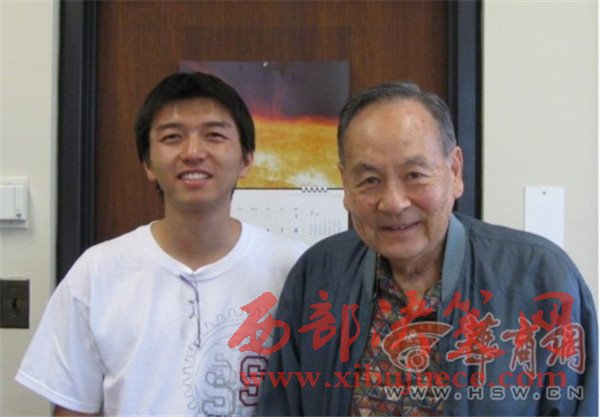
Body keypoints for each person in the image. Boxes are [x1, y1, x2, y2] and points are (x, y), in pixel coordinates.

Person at [256, 81, 598, 416]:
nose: (393, 203)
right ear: (345, 184)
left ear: (455, 171)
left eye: (415, 174)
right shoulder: (318, 274)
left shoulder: (541, 278)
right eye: (370, 180)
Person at [16, 72, 307, 416]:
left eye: (214, 135)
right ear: (147, 163)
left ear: (246, 158)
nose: (193, 152)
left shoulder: (295, 267)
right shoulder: (98, 271)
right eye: (172, 137)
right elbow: (73, 408)